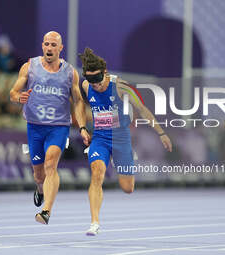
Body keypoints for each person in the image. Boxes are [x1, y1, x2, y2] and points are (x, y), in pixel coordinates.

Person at [79, 48, 172, 235]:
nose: (95, 85)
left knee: (127, 188)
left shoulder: (121, 86)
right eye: (91, 81)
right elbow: (79, 104)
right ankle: (94, 223)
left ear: (104, 72)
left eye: (97, 80)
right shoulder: (86, 86)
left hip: (121, 139)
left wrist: (161, 133)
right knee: (97, 174)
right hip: (100, 138)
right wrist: (82, 127)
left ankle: (123, 159)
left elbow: (143, 109)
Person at [10, 31, 89, 224]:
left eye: (54, 45)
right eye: (46, 44)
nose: (49, 48)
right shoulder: (29, 67)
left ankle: (46, 211)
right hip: (35, 127)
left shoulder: (70, 72)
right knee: (39, 174)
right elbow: (13, 91)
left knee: (51, 164)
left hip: (58, 127)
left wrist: (82, 127)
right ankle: (39, 188)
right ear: (42, 46)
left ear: (60, 48)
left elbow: (78, 101)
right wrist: (17, 97)